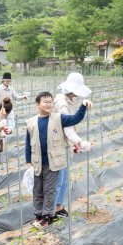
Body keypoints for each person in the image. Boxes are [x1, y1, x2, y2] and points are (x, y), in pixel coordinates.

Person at [24, 91, 89, 227]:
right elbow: (28, 144)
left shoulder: (59, 118)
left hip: (53, 162)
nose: (49, 104)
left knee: (50, 190)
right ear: (38, 104)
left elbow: (75, 119)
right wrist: (28, 162)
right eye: (45, 102)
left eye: (50, 102)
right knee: (37, 190)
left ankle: (48, 217)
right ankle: (38, 214)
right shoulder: (31, 123)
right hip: (37, 163)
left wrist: (83, 107)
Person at [52, 73, 93, 218]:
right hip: (58, 145)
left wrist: (74, 144)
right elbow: (68, 129)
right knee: (59, 179)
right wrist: (81, 143)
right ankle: (53, 210)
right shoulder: (62, 104)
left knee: (63, 178)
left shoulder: (66, 100)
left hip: (64, 144)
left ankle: (59, 207)